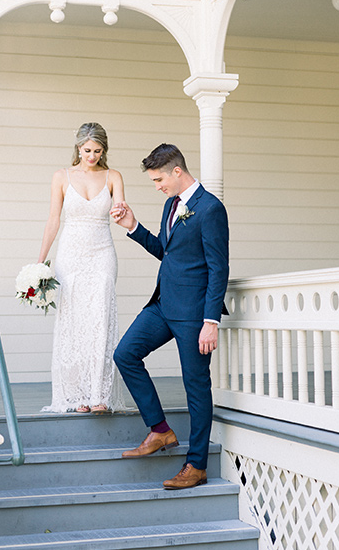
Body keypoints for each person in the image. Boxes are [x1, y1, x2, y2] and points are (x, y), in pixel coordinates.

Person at [111, 143, 229, 489]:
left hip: (194, 314)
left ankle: (196, 466)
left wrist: (211, 321)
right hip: (163, 305)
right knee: (125, 354)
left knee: (196, 387)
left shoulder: (210, 209)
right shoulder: (170, 205)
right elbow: (166, 251)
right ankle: (160, 430)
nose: (157, 185)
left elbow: (218, 268)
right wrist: (134, 227)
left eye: (159, 179)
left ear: (177, 171)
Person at [39, 122, 126, 414]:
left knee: (101, 319)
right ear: (78, 148)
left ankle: (99, 394)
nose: (92, 156)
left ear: (104, 150)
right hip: (71, 254)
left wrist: (121, 211)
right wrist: (40, 260)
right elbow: (53, 220)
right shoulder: (61, 177)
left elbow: (121, 207)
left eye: (98, 151)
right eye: (88, 150)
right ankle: (78, 396)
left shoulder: (113, 176)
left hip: (103, 252)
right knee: (74, 323)